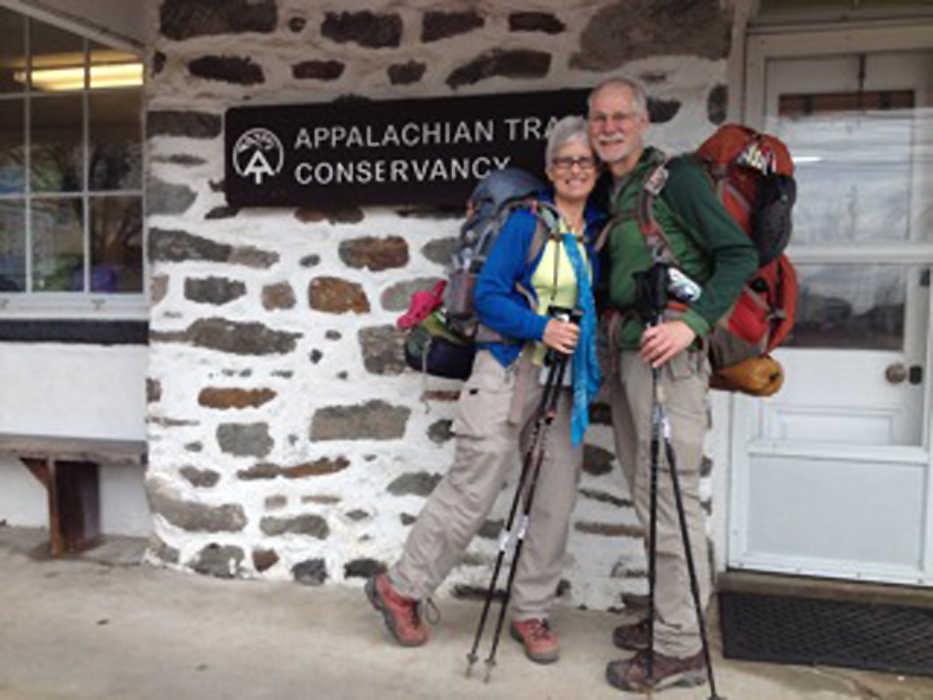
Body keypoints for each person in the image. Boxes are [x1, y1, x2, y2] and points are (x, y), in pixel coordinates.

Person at [366, 115, 604, 665]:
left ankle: (531, 611)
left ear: (596, 171)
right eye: (565, 161)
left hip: (562, 386)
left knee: (553, 503)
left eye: (585, 161)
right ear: (550, 169)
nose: (575, 170)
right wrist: (541, 326)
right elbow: (490, 298)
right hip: (505, 373)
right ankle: (400, 588)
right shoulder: (527, 224)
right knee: (472, 491)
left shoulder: (596, 230)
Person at [587, 78, 758, 692]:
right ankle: (671, 618)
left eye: (619, 117)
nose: (608, 127)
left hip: (671, 361)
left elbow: (738, 257)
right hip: (633, 354)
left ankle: (681, 649)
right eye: (599, 118)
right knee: (649, 494)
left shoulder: (676, 179)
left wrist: (692, 325)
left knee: (669, 501)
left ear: (643, 122)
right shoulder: (616, 189)